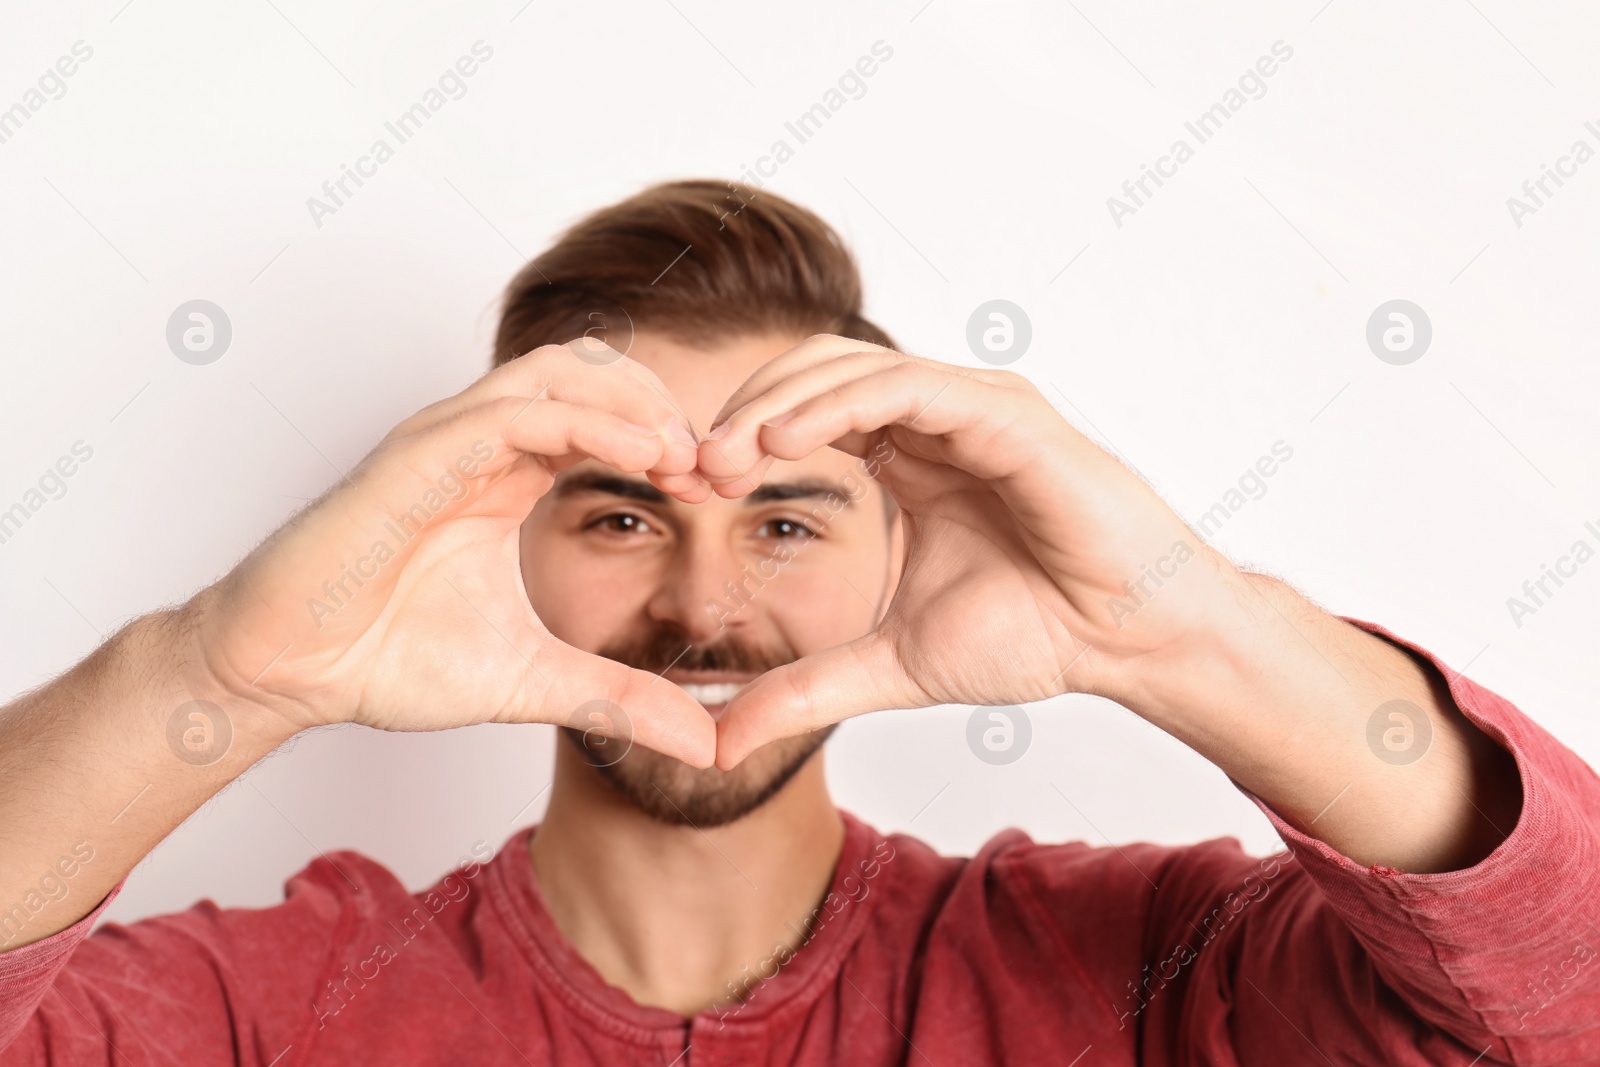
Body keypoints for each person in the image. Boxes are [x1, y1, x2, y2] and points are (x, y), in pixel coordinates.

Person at [0, 180, 1592, 1066]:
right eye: (622, 516)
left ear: (904, 554)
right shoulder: (264, 1012)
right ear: (504, 551)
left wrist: (1179, 630)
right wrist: (217, 672)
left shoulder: (1158, 983)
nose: (704, 606)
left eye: (784, 521)